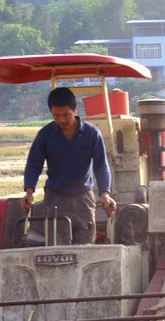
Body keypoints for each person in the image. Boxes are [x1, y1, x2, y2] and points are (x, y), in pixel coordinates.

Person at [21, 87, 116, 245]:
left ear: (75, 109)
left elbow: (101, 166)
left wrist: (105, 194)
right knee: (58, 250)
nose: (62, 120)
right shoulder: (45, 135)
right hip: (55, 199)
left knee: (85, 249)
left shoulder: (92, 134)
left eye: (66, 115)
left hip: (84, 199)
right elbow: (33, 165)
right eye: (56, 115)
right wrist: (29, 191)